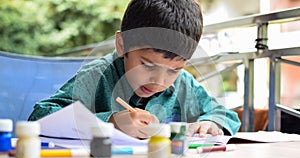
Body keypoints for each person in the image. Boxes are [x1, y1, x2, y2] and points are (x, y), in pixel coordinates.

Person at [28, 0, 241, 138]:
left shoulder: (182, 83)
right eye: (148, 65)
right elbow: (40, 116)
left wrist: (210, 122)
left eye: (173, 69)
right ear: (122, 45)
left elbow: (225, 114)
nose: (159, 81)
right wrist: (109, 121)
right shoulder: (97, 76)